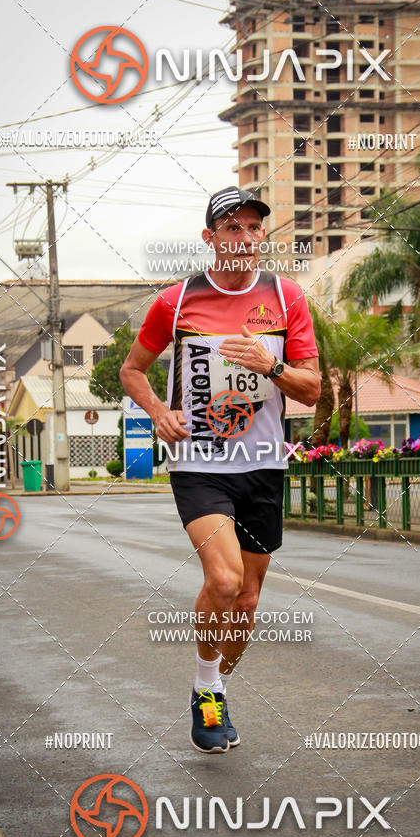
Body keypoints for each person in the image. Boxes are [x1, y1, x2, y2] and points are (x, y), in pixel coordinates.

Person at [120, 186, 320, 753]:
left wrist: (272, 363)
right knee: (225, 580)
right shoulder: (176, 302)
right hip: (200, 463)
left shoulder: (287, 297)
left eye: (254, 228)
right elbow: (134, 371)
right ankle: (205, 691)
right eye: (232, 228)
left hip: (262, 465)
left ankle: (218, 686)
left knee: (249, 600)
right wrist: (159, 411)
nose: (245, 238)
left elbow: (311, 388)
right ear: (210, 238)